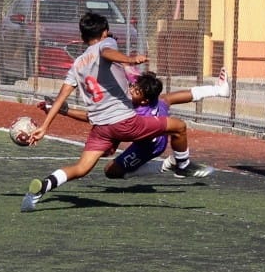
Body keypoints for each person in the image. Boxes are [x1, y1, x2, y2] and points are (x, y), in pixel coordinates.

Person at [22, 12, 198, 212]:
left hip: (101, 129)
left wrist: (44, 127)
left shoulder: (77, 65)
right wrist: (130, 60)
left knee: (81, 168)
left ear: (82, 37)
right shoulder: (107, 44)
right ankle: (182, 166)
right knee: (179, 127)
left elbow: (61, 97)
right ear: (105, 32)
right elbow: (106, 53)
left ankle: (40, 190)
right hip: (126, 123)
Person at [37, 68, 229, 179]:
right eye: (133, 86)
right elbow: (186, 95)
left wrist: (64, 111)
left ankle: (168, 165)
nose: (131, 90)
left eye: (135, 91)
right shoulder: (153, 100)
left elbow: (92, 117)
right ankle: (219, 90)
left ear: (144, 100)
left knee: (111, 172)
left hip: (150, 146)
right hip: (153, 125)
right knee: (168, 99)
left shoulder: (134, 110)